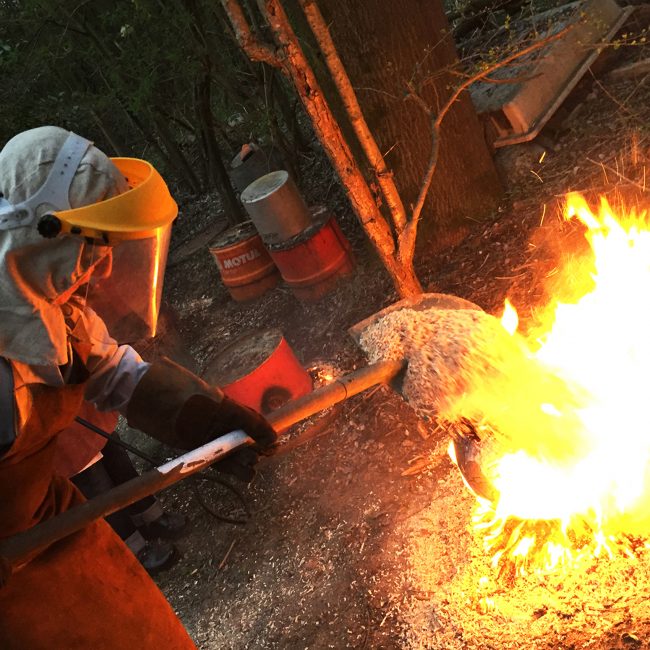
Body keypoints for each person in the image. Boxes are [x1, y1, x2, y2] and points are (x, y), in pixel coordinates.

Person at [0, 126, 277, 649]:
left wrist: (211, 418)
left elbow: (114, 370)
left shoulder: (54, 310)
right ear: (38, 239)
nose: (103, 268)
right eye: (94, 247)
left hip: (56, 525)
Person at [55, 401, 187, 573]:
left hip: (68, 403)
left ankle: (149, 518)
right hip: (42, 419)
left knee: (112, 450)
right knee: (89, 475)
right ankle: (131, 547)